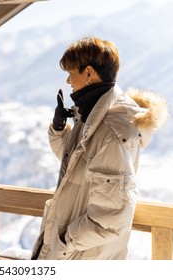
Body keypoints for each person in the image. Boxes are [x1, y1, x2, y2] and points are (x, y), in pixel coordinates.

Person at [31, 36, 168, 260]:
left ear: (88, 73)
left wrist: (65, 241)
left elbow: (111, 220)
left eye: (71, 72)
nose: (67, 81)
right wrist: (58, 129)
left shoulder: (110, 131)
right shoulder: (91, 116)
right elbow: (75, 163)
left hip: (83, 256)